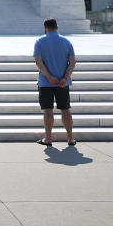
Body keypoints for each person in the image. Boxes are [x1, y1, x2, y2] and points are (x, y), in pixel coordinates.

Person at [33, 18, 77, 146]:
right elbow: (73, 62)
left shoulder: (40, 41)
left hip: (45, 82)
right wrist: (65, 77)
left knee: (48, 110)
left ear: (45, 28)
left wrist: (49, 77)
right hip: (63, 82)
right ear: (57, 27)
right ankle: (70, 138)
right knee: (65, 109)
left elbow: (38, 62)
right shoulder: (66, 41)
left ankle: (48, 138)